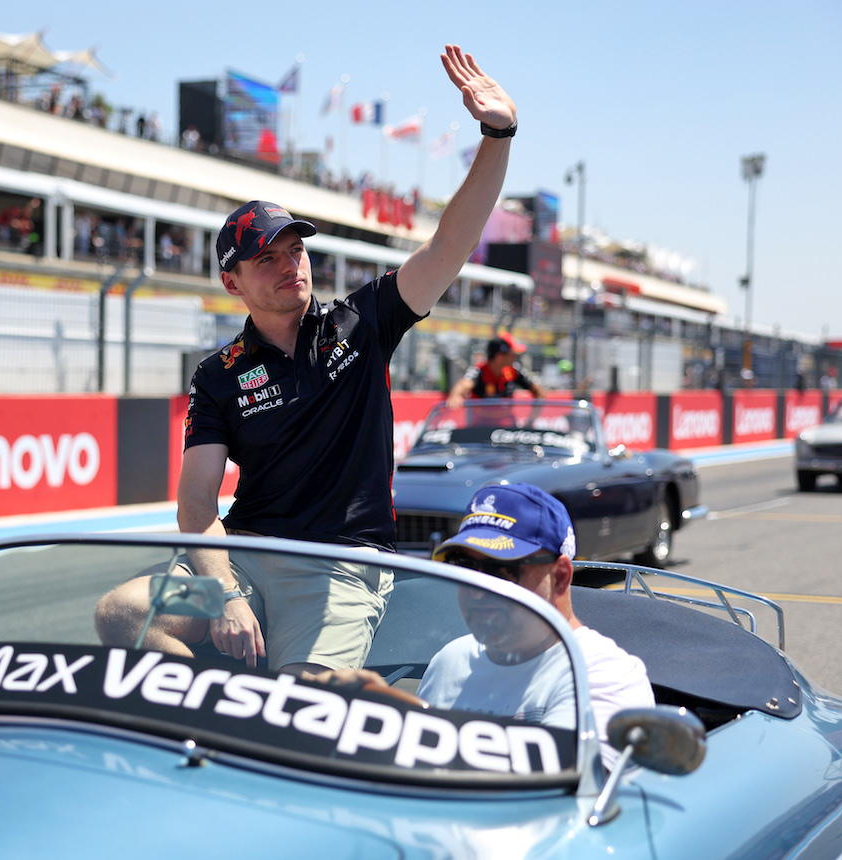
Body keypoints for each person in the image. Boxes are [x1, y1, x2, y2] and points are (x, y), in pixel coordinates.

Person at [95, 44, 518, 678]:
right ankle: (213, 715)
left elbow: (449, 243)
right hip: (240, 560)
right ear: (233, 283)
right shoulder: (219, 375)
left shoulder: (366, 320)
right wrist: (228, 595)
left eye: (295, 250)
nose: (289, 265)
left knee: (301, 702)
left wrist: (497, 135)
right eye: (266, 258)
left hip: (342, 566)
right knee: (123, 613)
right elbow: (197, 505)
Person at [421, 483, 654, 768]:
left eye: (502, 570)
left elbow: (556, 799)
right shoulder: (449, 661)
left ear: (561, 577)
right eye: (465, 568)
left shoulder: (603, 675)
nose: (477, 590)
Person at [446, 332, 545, 408]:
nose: (515, 357)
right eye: (512, 354)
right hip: (480, 428)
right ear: (499, 356)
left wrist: (531, 420)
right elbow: (463, 384)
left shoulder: (515, 370)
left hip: (507, 430)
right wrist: (455, 395)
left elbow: (538, 391)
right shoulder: (479, 370)